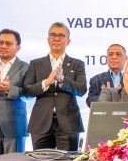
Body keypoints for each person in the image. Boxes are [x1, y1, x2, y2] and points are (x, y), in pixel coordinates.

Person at [23, 22, 87, 150]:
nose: (56, 38)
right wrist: (46, 82)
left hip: (68, 122)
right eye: (53, 35)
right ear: (48, 39)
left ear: (68, 41)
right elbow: (27, 91)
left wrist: (62, 80)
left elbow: (81, 90)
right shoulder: (35, 63)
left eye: (61, 35)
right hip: (40, 122)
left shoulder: (77, 64)